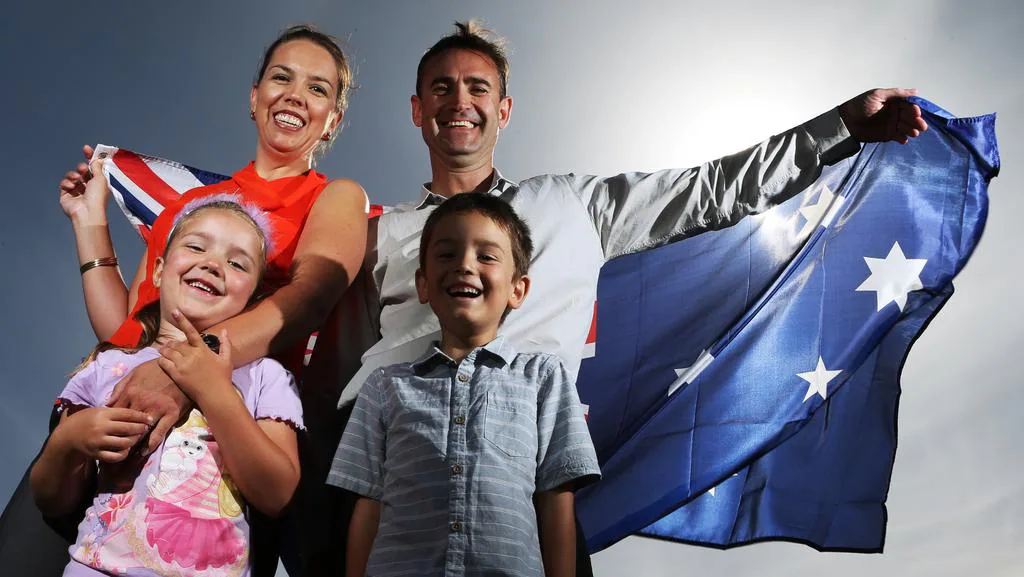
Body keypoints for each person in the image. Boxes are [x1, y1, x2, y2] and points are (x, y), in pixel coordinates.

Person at [313, 20, 930, 576]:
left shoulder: (574, 204)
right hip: (388, 465)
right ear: (418, 110)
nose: (460, 101)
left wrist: (838, 128)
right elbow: (328, 351)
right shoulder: (377, 231)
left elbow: (709, 189)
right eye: (441, 88)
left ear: (504, 110)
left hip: (524, 470)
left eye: (477, 87)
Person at [0, 24, 367, 577]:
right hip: (105, 416)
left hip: (218, 445)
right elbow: (125, 324)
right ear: (254, 96)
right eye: (280, 77)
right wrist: (90, 222)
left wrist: (184, 370)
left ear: (333, 119)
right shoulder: (192, 203)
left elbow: (310, 297)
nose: (295, 94)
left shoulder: (335, 197)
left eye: (319, 89)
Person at [30, 193, 304, 576]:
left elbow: (277, 494)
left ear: (253, 297)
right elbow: (51, 499)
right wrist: (67, 440)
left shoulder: (266, 377)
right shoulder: (108, 365)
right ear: (158, 270)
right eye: (196, 246)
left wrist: (213, 391)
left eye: (237, 263)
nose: (212, 264)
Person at [334, 193, 600, 577]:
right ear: (423, 285)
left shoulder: (544, 378)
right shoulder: (384, 386)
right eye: (446, 254)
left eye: (487, 256)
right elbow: (368, 503)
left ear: (517, 289)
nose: (464, 265)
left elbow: (556, 497)